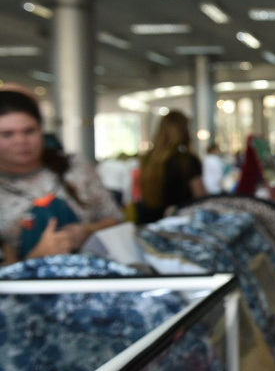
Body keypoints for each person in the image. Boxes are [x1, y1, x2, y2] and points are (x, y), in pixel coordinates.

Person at [0, 90, 122, 265]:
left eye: (29, 131)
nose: (21, 141)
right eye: (7, 134)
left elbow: (115, 218)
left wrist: (89, 230)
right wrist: (36, 258)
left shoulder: (73, 167)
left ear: (41, 130)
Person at [137, 111, 206, 224]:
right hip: (180, 225)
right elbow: (201, 197)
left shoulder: (147, 160)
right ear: (183, 130)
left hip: (151, 224)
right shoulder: (186, 161)